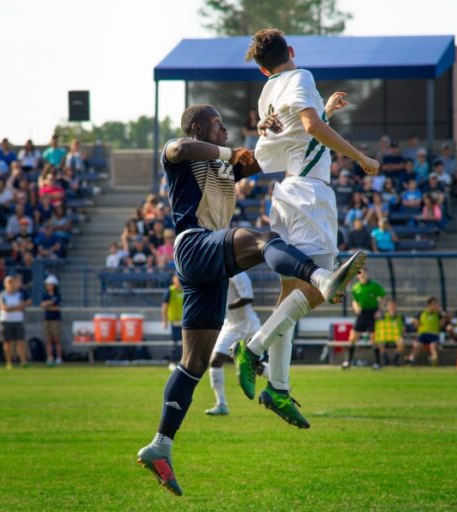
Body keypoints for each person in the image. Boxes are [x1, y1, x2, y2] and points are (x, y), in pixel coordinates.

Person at [136, 103, 365, 496]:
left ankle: (160, 445)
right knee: (262, 241)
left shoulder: (226, 165)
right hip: (193, 245)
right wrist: (229, 153)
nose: (224, 131)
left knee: (192, 364)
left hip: (209, 267)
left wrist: (300, 120)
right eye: (217, 125)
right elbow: (181, 150)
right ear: (197, 128)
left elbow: (270, 154)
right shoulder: (180, 151)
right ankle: (321, 277)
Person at [234, 27, 377, 420]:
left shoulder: (269, 91)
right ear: (292, 51)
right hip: (310, 195)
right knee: (322, 287)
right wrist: (361, 157)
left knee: (291, 297)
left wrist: (325, 109)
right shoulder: (302, 76)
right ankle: (254, 347)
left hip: (287, 192)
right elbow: (311, 129)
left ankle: (278, 388)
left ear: (263, 71)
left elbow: (300, 135)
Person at [206, 272, 263, 416]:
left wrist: (224, 307)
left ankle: (282, 385)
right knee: (215, 361)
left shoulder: (239, 274)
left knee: (256, 367)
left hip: (248, 326)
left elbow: (247, 298)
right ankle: (221, 404)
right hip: (231, 326)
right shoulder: (219, 275)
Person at [343, 267, 386, 370]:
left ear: (367, 274)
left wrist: (379, 310)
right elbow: (354, 301)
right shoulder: (355, 287)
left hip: (372, 313)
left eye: (364, 273)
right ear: (357, 275)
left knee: (373, 338)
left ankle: (377, 363)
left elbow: (383, 296)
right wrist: (356, 307)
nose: (362, 275)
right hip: (362, 314)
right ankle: (348, 362)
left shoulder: (374, 285)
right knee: (353, 338)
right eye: (360, 274)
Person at [0, 275, 30, 370]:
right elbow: (4, 308)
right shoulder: (2, 295)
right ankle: (9, 362)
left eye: (12, 283)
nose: (11, 285)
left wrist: (12, 308)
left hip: (18, 320)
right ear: (5, 284)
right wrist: (16, 308)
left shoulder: (19, 294)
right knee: (7, 343)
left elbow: (25, 305)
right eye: (9, 283)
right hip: (6, 320)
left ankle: (23, 361)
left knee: (21, 342)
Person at [407, 297, 445, 367]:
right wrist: (416, 323)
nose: (436, 306)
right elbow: (414, 321)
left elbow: (442, 325)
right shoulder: (422, 313)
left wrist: (442, 314)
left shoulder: (438, 314)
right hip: (423, 335)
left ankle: (434, 360)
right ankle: (410, 359)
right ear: (429, 305)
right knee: (418, 345)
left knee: (433, 346)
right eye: (435, 304)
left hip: (434, 335)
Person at [373, 297, 406, 366]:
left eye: (394, 306)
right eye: (390, 306)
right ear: (387, 307)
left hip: (396, 336)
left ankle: (395, 360)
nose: (392, 308)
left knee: (401, 342)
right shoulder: (383, 316)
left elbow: (404, 328)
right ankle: (386, 361)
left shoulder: (400, 317)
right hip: (385, 337)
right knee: (379, 342)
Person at [161, 274, 184, 366]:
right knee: (174, 342)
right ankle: (173, 361)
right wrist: (165, 321)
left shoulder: (185, 290)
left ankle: (183, 362)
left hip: (184, 321)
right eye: (176, 279)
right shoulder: (170, 291)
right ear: (173, 280)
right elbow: (165, 306)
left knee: (185, 343)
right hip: (174, 321)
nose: (178, 281)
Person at [41, 275, 63, 367]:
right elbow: (42, 305)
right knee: (48, 340)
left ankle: (59, 357)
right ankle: (50, 357)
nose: (49, 286)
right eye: (47, 284)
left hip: (55, 320)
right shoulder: (45, 295)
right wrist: (50, 304)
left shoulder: (57, 295)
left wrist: (48, 305)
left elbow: (57, 308)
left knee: (57, 339)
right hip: (47, 319)